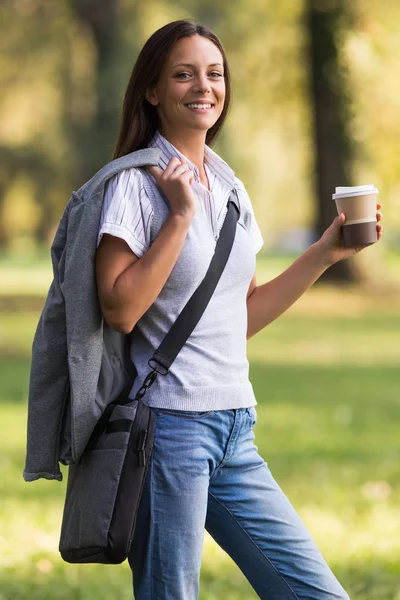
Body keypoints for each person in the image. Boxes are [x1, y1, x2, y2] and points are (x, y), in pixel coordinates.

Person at [95, 19, 382, 600]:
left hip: (234, 429)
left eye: (214, 73)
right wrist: (177, 218)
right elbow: (120, 308)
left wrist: (328, 253)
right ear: (153, 90)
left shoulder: (227, 186)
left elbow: (240, 316)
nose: (204, 86)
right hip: (170, 428)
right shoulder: (135, 183)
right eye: (184, 74)